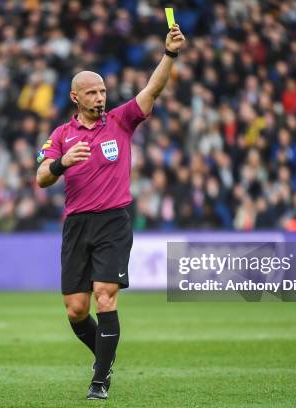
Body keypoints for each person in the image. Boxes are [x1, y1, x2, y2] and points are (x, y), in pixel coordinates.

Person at [36, 24, 186, 400]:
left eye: (102, 91)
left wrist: (169, 55)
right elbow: (40, 177)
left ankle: (99, 381)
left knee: (106, 295)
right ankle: (105, 357)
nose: (100, 97)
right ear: (75, 97)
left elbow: (151, 90)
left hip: (114, 221)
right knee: (75, 310)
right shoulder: (59, 136)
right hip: (77, 225)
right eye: (92, 92)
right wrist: (61, 164)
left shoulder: (121, 121)